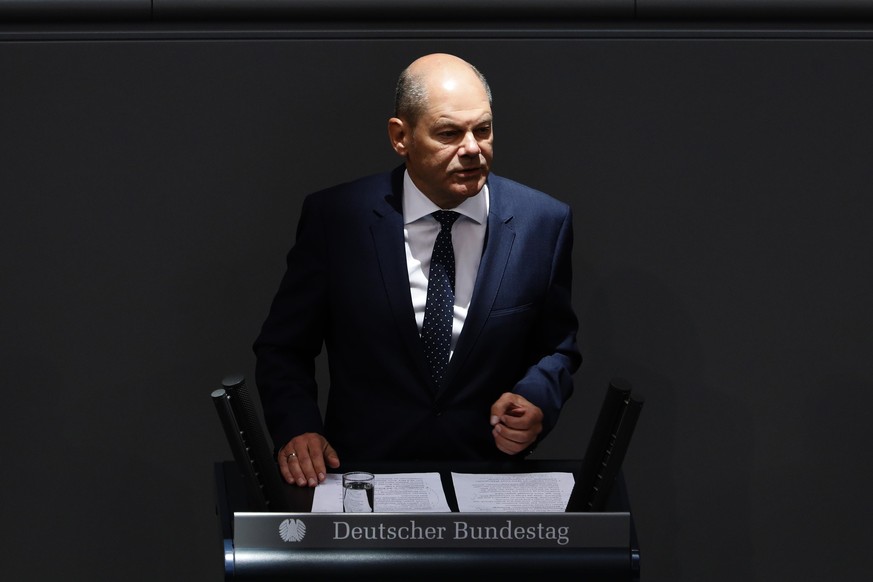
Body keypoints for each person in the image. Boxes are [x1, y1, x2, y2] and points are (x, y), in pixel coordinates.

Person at [254, 53, 581, 488]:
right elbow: (283, 347)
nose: (471, 148)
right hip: (364, 478)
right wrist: (297, 427)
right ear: (400, 137)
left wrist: (537, 398)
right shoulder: (336, 219)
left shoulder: (543, 222)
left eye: (482, 130)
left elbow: (558, 346)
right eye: (449, 133)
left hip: (487, 479)